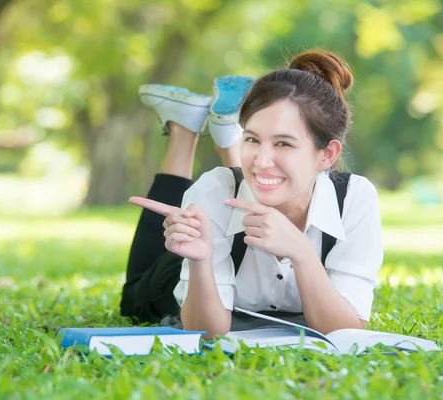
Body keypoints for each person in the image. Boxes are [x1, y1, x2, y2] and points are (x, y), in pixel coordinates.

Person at [120, 49, 383, 340]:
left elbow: (347, 333)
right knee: (133, 297)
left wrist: (302, 252)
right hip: (187, 274)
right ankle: (183, 131)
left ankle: (224, 141)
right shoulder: (214, 191)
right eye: (252, 139)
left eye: (283, 143)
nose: (261, 160)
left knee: (256, 175)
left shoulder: (354, 199)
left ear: (327, 154)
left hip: (240, 202)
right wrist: (200, 261)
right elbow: (208, 334)